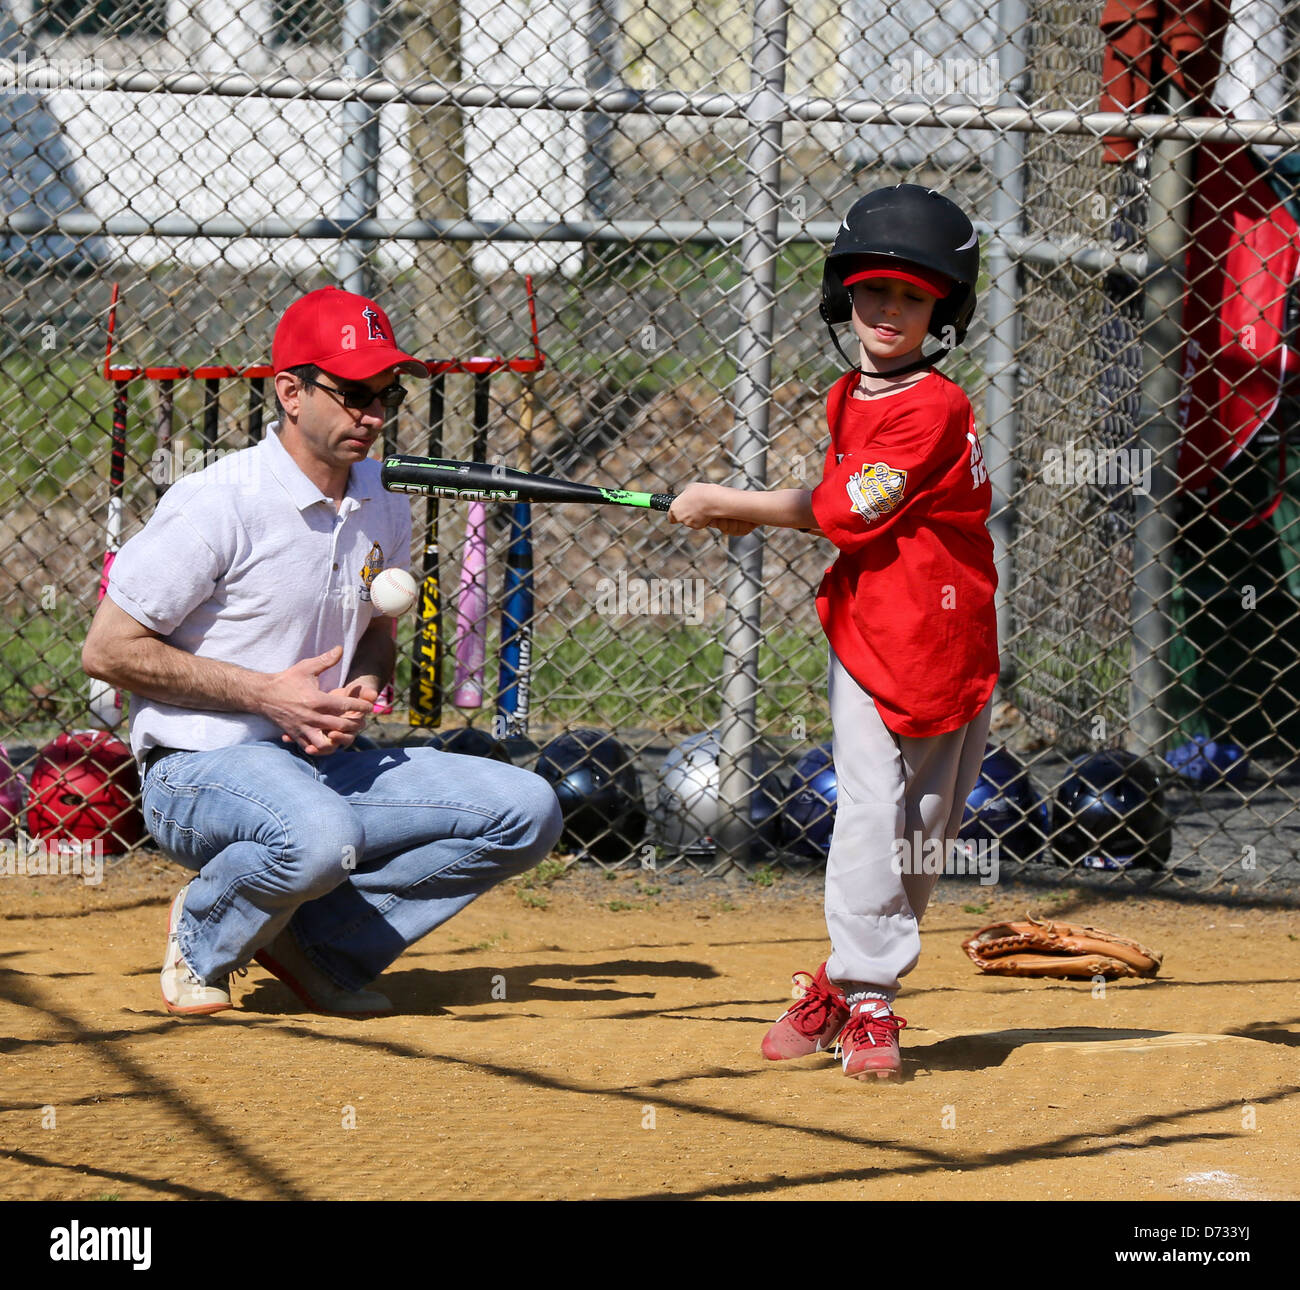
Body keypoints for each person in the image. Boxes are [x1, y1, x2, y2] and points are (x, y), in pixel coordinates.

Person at [81, 286, 563, 1019]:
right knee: (317, 836)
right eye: (353, 394)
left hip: (319, 762)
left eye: (386, 394)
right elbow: (108, 649)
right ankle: (206, 927)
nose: (373, 415)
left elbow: (376, 631)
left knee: (526, 810)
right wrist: (267, 695)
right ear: (291, 392)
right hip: (198, 768)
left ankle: (323, 946)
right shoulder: (219, 500)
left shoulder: (383, 496)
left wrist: (361, 689)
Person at [668, 186, 998, 1079]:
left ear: (943, 312)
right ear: (842, 297)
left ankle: (840, 981)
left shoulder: (936, 406)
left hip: (948, 640)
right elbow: (843, 517)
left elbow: (849, 507)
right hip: (869, 632)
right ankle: (870, 997)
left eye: (913, 298)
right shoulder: (849, 393)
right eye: (873, 292)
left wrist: (733, 503)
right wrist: (768, 514)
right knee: (866, 812)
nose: (889, 311)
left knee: (923, 831)